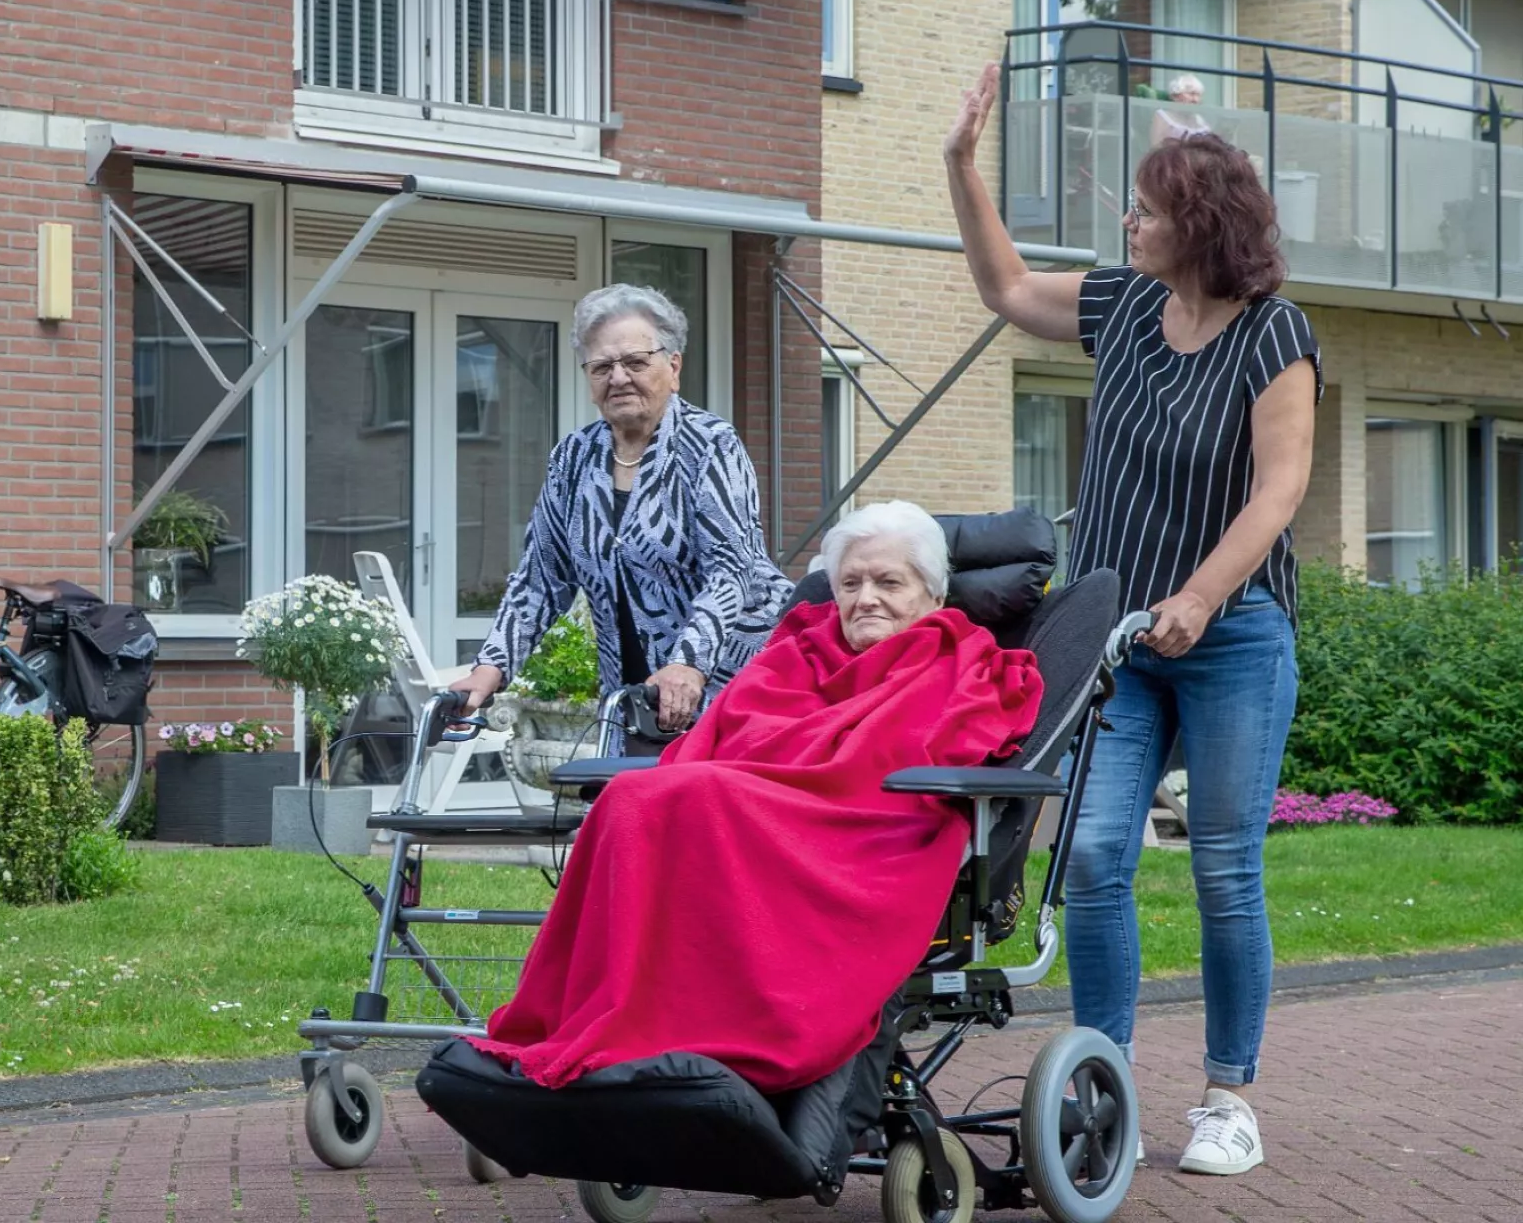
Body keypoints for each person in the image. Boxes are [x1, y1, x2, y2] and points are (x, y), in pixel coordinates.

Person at [945, 62, 1319, 1178]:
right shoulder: (1117, 305)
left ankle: (1229, 1096)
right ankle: (1103, 1088)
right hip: (1119, 642)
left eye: (1146, 209)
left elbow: (1281, 487)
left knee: (1221, 867)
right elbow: (1007, 290)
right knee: (1097, 855)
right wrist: (960, 166)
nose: (1128, 221)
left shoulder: (1275, 335)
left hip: (1234, 637)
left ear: (1196, 225)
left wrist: (1201, 599)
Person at [473, 501, 1044, 1092]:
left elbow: (948, 752)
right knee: (633, 796)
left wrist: (738, 787)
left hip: (864, 835)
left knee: (688, 795)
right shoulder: (796, 652)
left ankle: (661, 1037)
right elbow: (719, 739)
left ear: (931, 594)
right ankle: (590, 1022)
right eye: (850, 583)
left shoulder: (965, 663)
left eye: (888, 582)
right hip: (755, 814)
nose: (866, 598)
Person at [450, 284, 787, 733]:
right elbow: (540, 579)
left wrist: (689, 662)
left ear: (673, 366)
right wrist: (490, 668)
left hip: (729, 681)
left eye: (635, 362)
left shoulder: (710, 444)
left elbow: (731, 570)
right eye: (602, 366)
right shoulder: (573, 457)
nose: (619, 378)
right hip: (631, 691)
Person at [1151, 73, 1212, 145]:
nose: (1195, 100)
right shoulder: (1163, 117)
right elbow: (1156, 147)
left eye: (1198, 95)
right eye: (1191, 94)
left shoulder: (1201, 122)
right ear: (1175, 96)